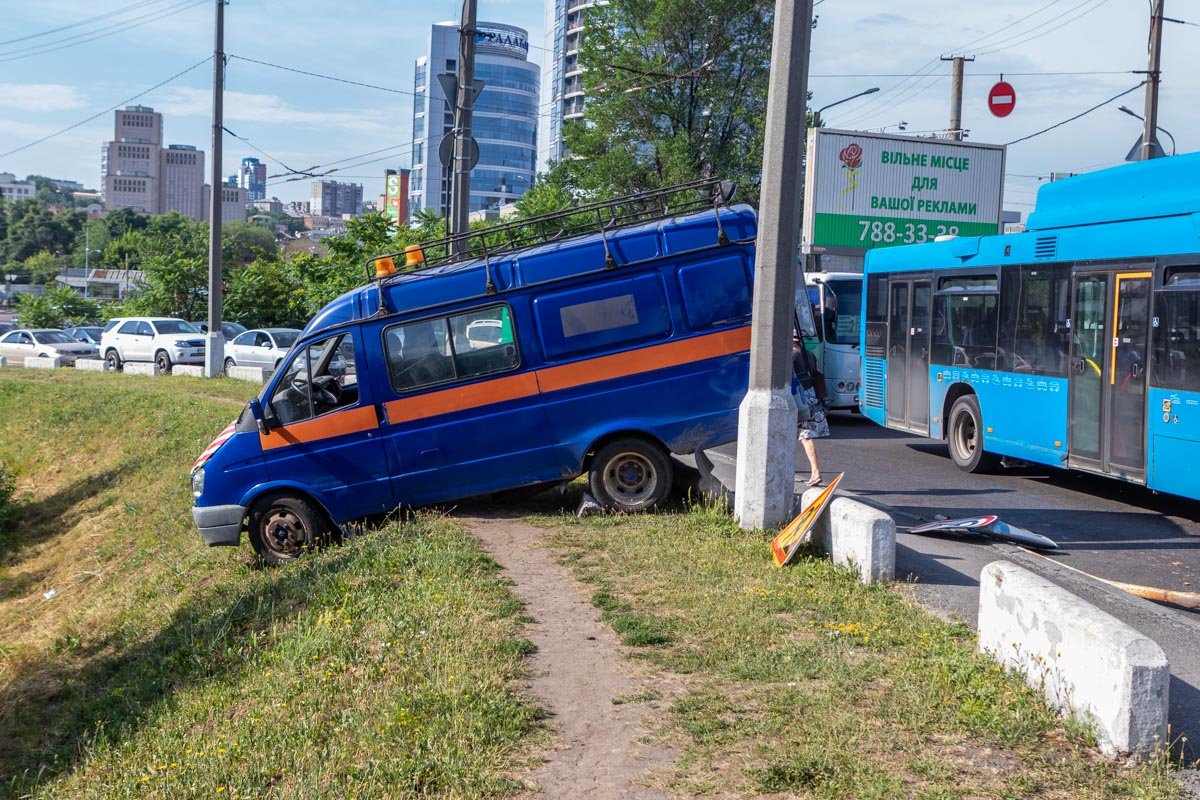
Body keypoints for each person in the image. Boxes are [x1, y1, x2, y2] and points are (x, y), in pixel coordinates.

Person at [793, 333, 830, 486]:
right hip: (812, 395)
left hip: (799, 398)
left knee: (805, 436)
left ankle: (815, 472)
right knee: (802, 436)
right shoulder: (809, 354)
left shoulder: (791, 355)